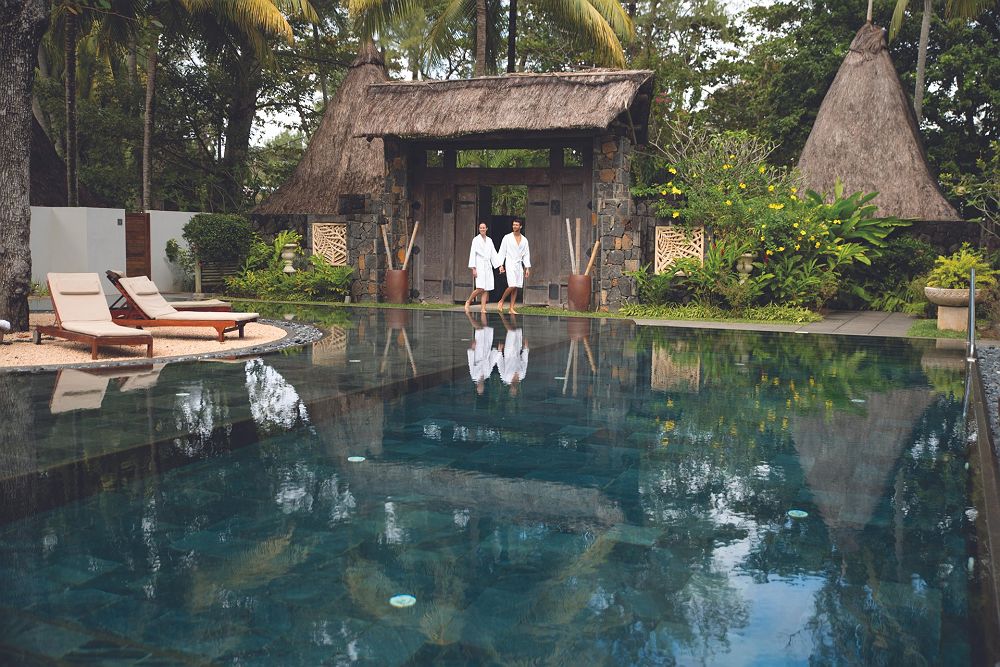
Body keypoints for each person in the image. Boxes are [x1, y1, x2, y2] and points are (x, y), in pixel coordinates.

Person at [496, 218, 531, 314]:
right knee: (512, 285)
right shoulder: (507, 237)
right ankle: (501, 300)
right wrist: (500, 265)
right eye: (513, 225)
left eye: (516, 225)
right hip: (510, 263)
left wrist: (527, 268)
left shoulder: (524, 240)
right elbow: (502, 251)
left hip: (519, 265)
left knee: (516, 286)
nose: (514, 226)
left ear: (520, 226)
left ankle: (511, 308)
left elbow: (526, 254)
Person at [465, 222, 500, 313]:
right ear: (479, 229)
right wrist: (473, 268)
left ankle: (483, 308)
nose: (482, 229)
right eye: (480, 228)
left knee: (486, 288)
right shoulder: (475, 240)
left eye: (484, 228)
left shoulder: (489, 240)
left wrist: (499, 265)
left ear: (486, 229)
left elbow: (493, 254)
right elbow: (472, 253)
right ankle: (468, 301)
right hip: (479, 264)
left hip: (487, 265)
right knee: (480, 288)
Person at [495, 312, 529, 396]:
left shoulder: (505, 377)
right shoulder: (522, 375)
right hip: (517, 351)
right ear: (517, 389)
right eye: (515, 390)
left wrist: (499, 352)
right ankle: (511, 312)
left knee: (511, 331)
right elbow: (524, 361)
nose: (513, 389)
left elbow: (500, 365)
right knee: (515, 329)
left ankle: (502, 316)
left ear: (510, 389)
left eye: (512, 390)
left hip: (509, 352)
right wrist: (525, 348)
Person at [466, 309, 495, 395]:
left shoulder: (474, 375)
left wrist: (472, 349)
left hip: (478, 352)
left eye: (479, 388)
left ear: (477, 386)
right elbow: (491, 362)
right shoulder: (487, 374)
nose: (481, 386)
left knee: (479, 329)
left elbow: (470, 363)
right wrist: (497, 351)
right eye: (482, 388)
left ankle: (469, 315)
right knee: (485, 327)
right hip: (486, 350)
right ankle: (483, 309)